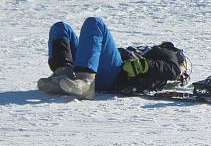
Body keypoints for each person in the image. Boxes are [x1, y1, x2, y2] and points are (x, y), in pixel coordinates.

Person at [37, 16, 189, 100]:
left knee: (95, 24)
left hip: (114, 76)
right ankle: (62, 75)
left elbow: (174, 70)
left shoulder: (168, 52)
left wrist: (145, 65)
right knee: (61, 27)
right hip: (102, 69)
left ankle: (85, 83)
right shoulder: (148, 52)